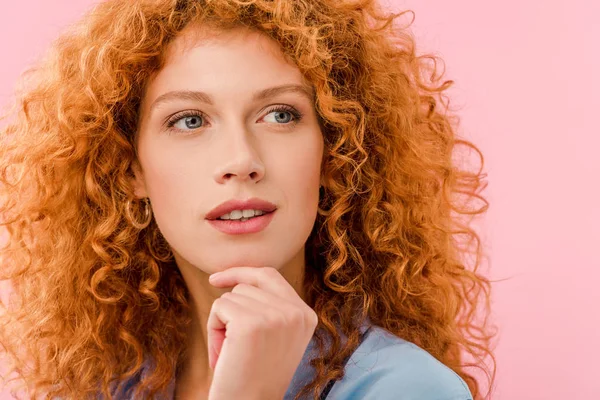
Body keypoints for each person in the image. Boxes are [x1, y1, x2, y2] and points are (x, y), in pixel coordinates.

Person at [0, 0, 496, 399]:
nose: (241, 159)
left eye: (280, 114)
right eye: (190, 120)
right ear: (130, 171)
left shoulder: (404, 388)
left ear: (334, 153)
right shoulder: (113, 386)